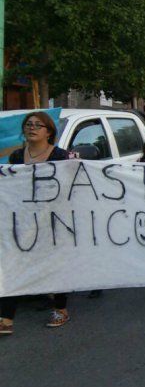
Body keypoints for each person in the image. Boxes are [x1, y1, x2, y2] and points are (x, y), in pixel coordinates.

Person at [1, 112, 73, 335]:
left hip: (53, 221)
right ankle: (6, 318)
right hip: (23, 221)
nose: (32, 128)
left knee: (54, 265)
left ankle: (60, 309)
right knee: (14, 265)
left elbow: (69, 187)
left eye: (37, 125)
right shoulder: (16, 157)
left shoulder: (60, 156)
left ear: (49, 131)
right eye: (28, 125)